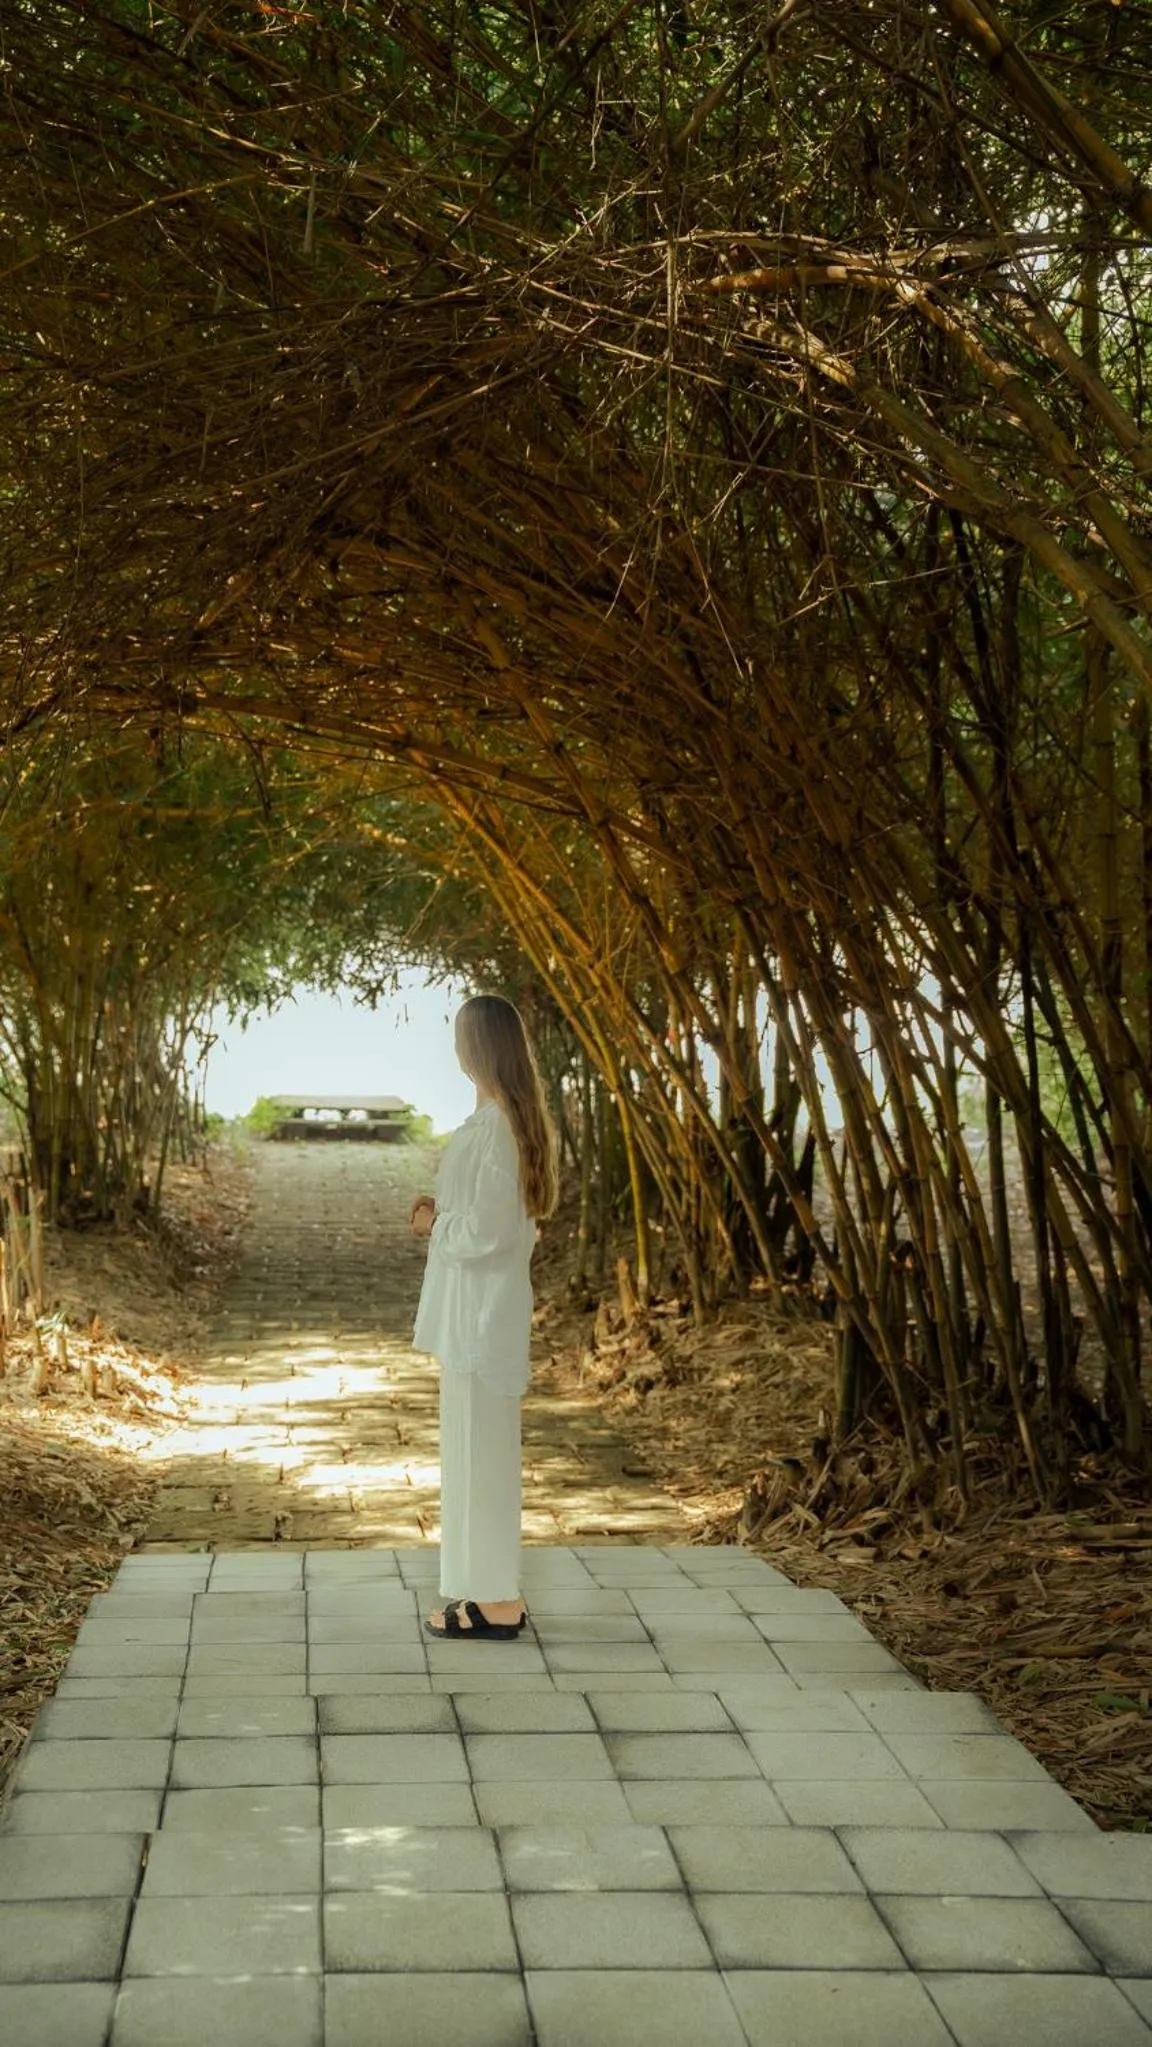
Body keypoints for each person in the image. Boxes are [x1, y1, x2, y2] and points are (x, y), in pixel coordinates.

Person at [409, 993, 559, 1638]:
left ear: (478, 1048)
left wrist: (434, 1221)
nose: (454, 1051)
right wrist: (442, 1207)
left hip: (483, 1315)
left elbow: (490, 1231)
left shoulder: (499, 1127)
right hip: (472, 1314)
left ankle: (498, 1603)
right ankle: (483, 1590)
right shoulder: (493, 1119)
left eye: (461, 1039)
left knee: (485, 1458)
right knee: (471, 1456)